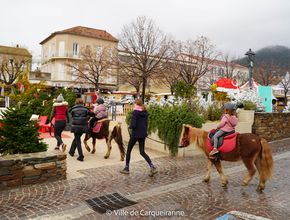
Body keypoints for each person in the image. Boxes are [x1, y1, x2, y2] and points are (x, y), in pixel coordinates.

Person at [120, 98, 157, 176]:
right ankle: (152, 166)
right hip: (143, 134)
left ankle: (126, 168)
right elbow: (146, 124)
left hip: (135, 134)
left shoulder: (135, 112)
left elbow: (133, 124)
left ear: (136, 104)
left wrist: (130, 127)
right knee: (142, 152)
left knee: (129, 150)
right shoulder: (145, 112)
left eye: (134, 103)